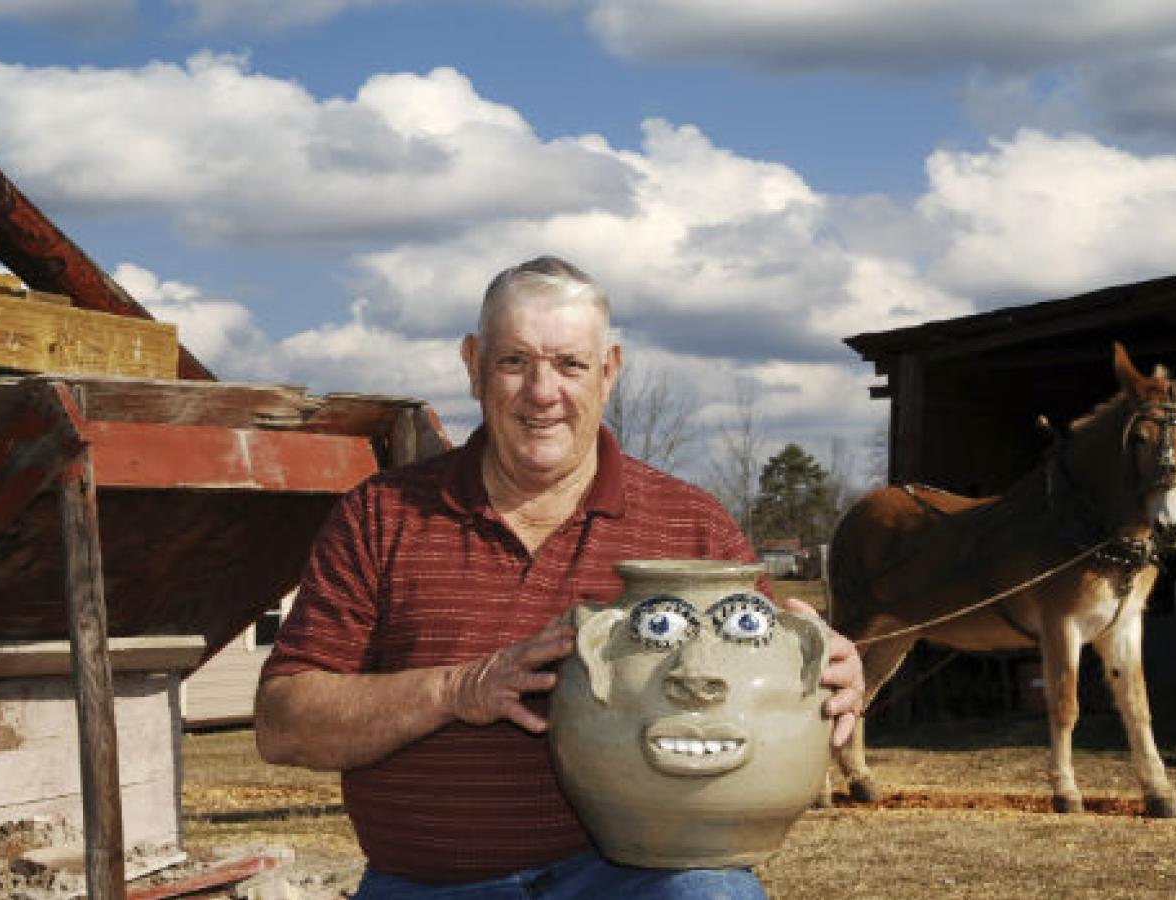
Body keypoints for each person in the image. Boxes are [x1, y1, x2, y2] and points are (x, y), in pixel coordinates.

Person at [255, 255, 863, 899]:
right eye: (515, 361)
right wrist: (458, 688)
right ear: (473, 366)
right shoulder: (382, 516)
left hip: (637, 878)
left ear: (610, 372)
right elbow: (283, 723)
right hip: (429, 885)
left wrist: (826, 672)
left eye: (570, 364)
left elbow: (770, 693)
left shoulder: (691, 527)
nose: (542, 392)